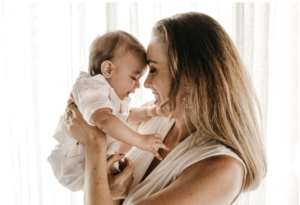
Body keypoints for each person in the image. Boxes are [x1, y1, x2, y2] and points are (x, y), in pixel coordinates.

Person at [50, 12, 267, 204]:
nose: (144, 83)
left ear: (189, 74)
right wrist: (111, 189)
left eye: (153, 69)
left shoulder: (221, 168)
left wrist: (94, 142)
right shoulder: (150, 121)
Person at [48, 30, 168, 192]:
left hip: (96, 158)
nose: (139, 85)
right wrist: (140, 140)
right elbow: (105, 120)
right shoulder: (91, 87)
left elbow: (125, 117)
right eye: (134, 77)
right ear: (108, 69)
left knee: (122, 185)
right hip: (76, 161)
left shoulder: (110, 96)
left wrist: (149, 112)